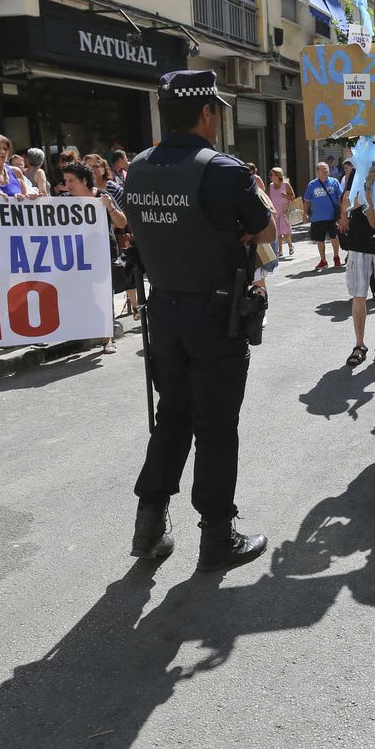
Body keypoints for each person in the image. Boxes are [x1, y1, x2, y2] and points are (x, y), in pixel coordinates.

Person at [117, 70, 274, 575]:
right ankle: (217, 536)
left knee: (173, 416)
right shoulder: (224, 170)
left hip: (163, 312)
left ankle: (148, 524)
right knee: (216, 426)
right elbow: (267, 229)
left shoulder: (137, 169)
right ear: (207, 112)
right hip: (215, 314)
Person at [59, 160, 128, 356]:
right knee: (83, 294)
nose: (67, 185)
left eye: (72, 180)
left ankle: (107, 339)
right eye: (65, 181)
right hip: (77, 255)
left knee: (103, 294)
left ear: (84, 181)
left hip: (103, 252)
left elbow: (121, 223)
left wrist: (110, 207)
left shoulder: (102, 196)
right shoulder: (64, 199)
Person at [338, 139, 375, 369]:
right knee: (358, 295)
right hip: (359, 242)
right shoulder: (357, 172)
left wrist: (372, 193)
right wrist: (361, 195)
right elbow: (347, 202)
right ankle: (359, 344)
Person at [303, 161, 344, 270]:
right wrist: (305, 213)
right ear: (317, 171)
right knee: (320, 240)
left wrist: (342, 213)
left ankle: (336, 257)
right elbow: (307, 200)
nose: (325, 170)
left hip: (332, 217)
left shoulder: (334, 182)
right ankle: (323, 260)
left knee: (334, 237)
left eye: (326, 168)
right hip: (318, 217)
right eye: (323, 169)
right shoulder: (312, 184)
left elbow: (341, 198)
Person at [267, 167, 297, 258]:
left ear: (278, 176)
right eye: (270, 175)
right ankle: (280, 251)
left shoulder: (285, 184)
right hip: (275, 213)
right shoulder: (271, 186)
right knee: (278, 233)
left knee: (285, 232)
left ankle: (290, 246)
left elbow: (293, 196)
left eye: (272, 175)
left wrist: (286, 195)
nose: (270, 176)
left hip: (284, 212)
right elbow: (268, 198)